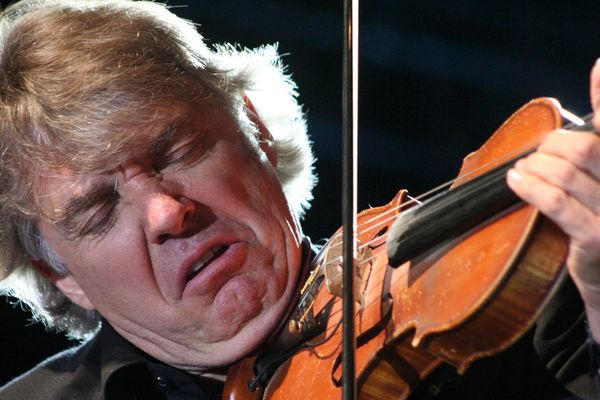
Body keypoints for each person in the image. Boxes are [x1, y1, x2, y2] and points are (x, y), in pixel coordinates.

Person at [0, 0, 598, 399]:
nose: (165, 213)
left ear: (254, 128)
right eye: (100, 211)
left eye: (178, 150)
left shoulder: (508, 306)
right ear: (59, 273)